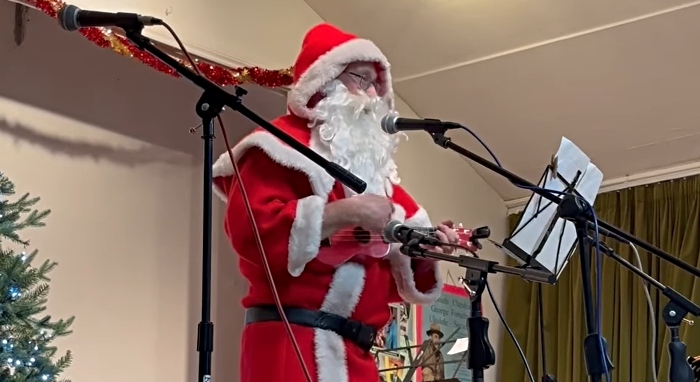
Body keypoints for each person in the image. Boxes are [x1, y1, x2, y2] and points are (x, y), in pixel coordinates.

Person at [212, 23, 460, 382]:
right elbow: (251, 234)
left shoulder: (378, 175)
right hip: (290, 343)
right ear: (323, 81)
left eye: (379, 84)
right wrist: (347, 212)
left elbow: (389, 281)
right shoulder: (275, 147)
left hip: (356, 354)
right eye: (361, 79)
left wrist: (427, 251)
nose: (374, 95)